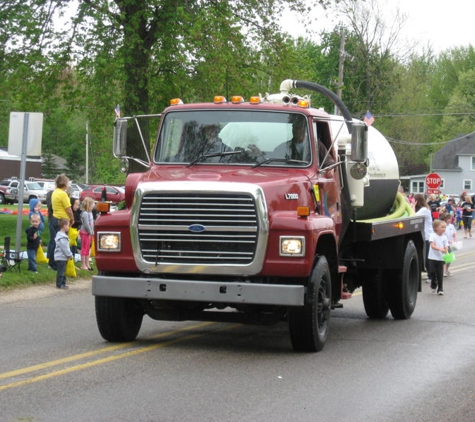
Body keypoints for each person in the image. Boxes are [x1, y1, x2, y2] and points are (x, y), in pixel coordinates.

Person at [47, 174, 74, 270]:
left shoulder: (55, 192)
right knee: (61, 242)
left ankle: (51, 261)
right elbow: (68, 209)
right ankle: (58, 263)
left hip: (54, 217)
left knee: (54, 241)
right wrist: (72, 219)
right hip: (62, 220)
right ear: (64, 183)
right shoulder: (63, 194)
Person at [414, 194, 434, 278]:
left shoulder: (424, 210)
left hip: (427, 236)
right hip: (425, 236)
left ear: (417, 201)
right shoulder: (424, 209)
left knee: (426, 258)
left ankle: (431, 276)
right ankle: (430, 275)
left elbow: (413, 216)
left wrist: (412, 206)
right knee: (425, 257)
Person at [428, 219, 448, 295]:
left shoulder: (444, 237)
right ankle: (434, 283)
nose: (444, 229)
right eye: (442, 227)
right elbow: (432, 246)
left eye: (445, 227)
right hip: (432, 257)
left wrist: (446, 249)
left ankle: (440, 288)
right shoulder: (432, 235)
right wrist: (441, 249)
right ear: (436, 228)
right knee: (432, 272)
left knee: (440, 273)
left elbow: (446, 246)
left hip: (440, 258)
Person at [54, 218, 73, 290]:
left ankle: (63, 283)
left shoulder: (62, 236)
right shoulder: (62, 237)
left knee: (63, 271)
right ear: (64, 226)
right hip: (61, 257)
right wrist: (70, 255)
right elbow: (65, 248)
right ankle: (59, 284)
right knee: (61, 271)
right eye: (68, 225)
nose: (69, 227)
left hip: (62, 257)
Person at [79, 197, 95, 271]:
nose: (93, 206)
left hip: (89, 233)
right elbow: (86, 224)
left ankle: (87, 263)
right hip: (85, 232)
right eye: (92, 204)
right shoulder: (85, 213)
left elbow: (91, 223)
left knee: (88, 248)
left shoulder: (90, 213)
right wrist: (90, 232)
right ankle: (83, 264)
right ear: (88, 205)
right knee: (84, 248)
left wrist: (92, 232)